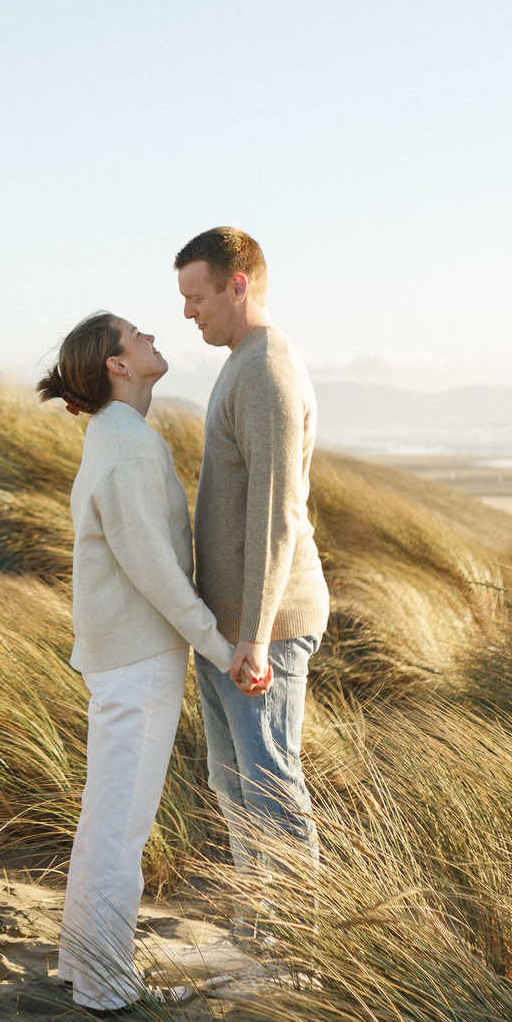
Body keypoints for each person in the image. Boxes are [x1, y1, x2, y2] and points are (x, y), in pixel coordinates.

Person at [40, 309, 251, 1013]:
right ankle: (105, 983)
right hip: (136, 657)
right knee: (122, 823)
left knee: (108, 815)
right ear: (118, 364)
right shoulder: (128, 444)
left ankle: (82, 966)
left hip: (122, 654)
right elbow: (154, 567)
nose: (153, 336)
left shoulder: (115, 434)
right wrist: (218, 646)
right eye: (137, 335)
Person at [175, 225, 329, 885]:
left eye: (197, 297)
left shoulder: (267, 372)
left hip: (267, 625)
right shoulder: (242, 360)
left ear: (237, 286)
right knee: (235, 788)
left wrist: (257, 636)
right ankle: (256, 931)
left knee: (270, 788)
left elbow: (277, 512)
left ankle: (298, 943)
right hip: (231, 624)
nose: (188, 313)